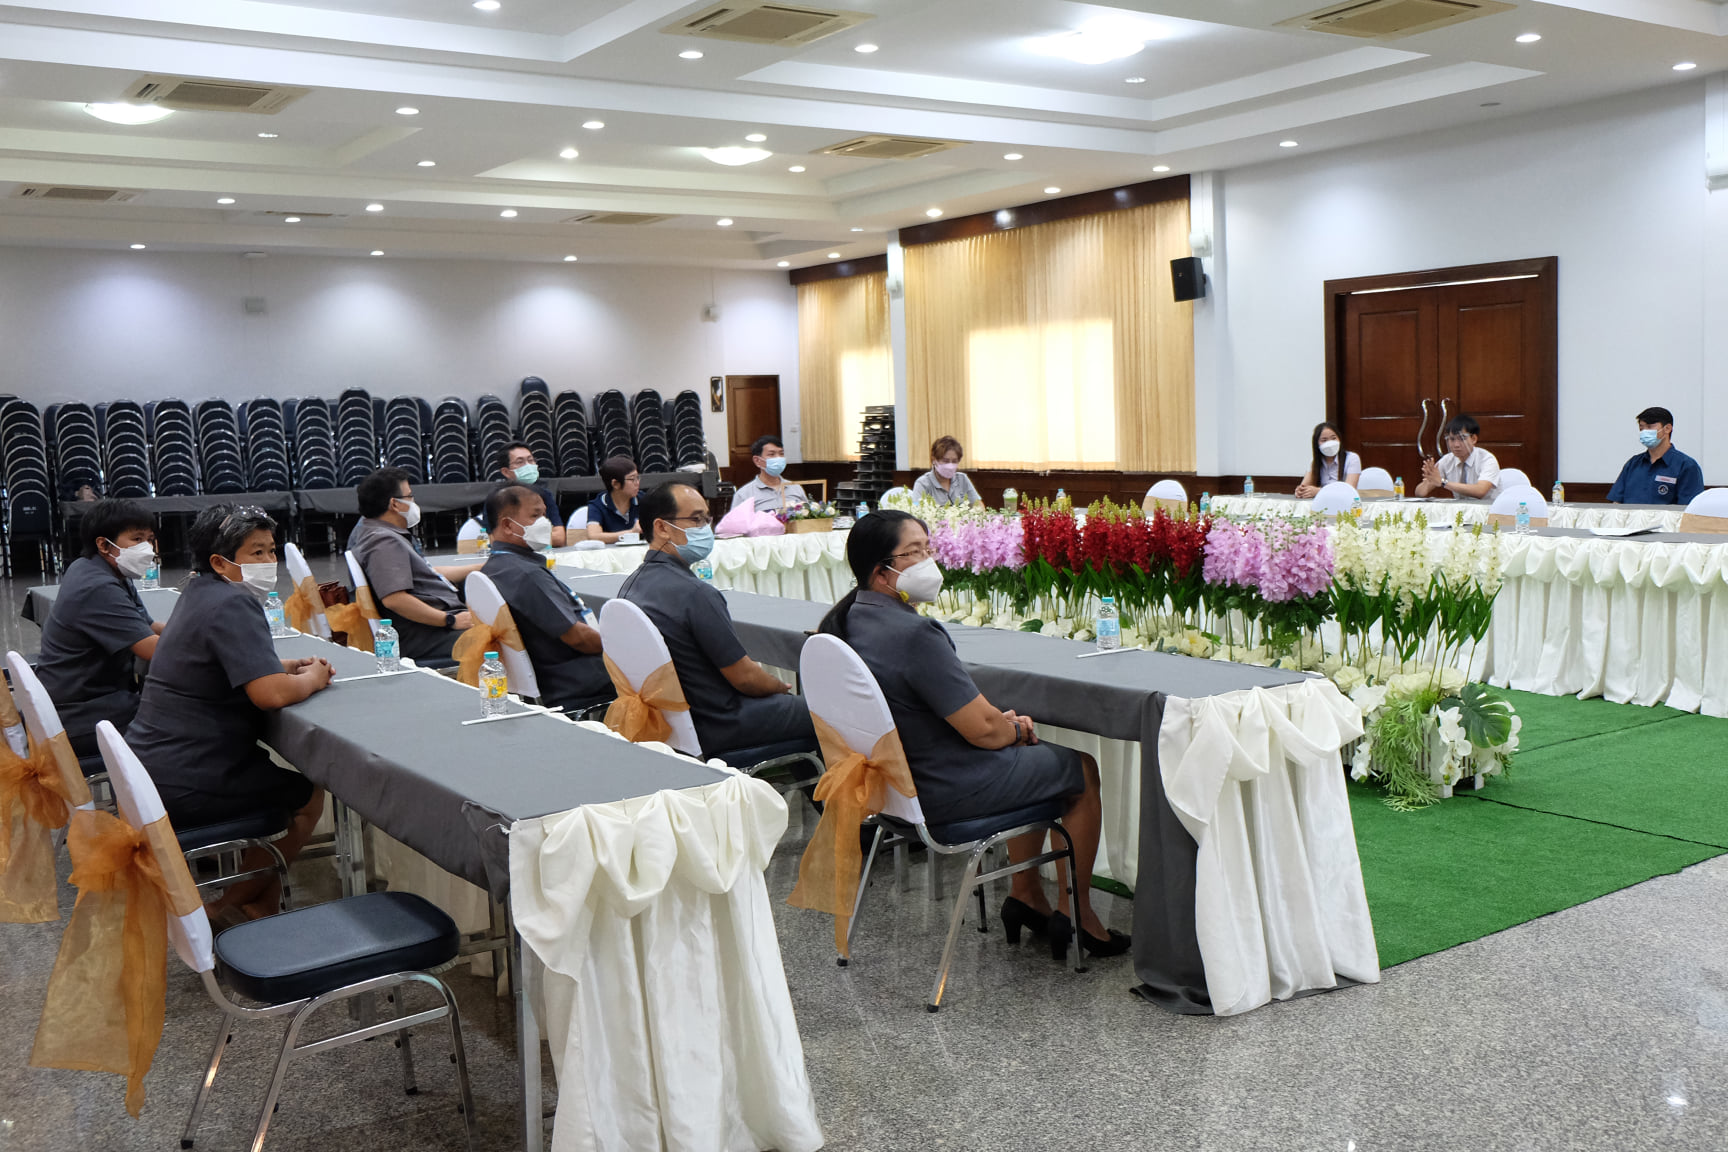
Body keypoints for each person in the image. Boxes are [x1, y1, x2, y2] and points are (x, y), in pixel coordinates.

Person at [816, 510, 1128, 959]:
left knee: (1035, 761)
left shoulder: (847, 622)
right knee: (1077, 769)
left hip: (890, 788)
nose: (929, 560)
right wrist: (1013, 729)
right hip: (943, 786)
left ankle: (1026, 896)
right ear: (881, 572)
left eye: (929, 548)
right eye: (915, 552)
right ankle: (1077, 914)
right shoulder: (914, 632)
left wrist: (998, 727)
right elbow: (983, 732)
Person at [126, 504, 333, 922]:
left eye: (271, 551)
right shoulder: (234, 603)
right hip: (192, 774)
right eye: (255, 553)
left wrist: (279, 668)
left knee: (283, 785)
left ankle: (259, 905)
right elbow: (271, 695)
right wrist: (314, 679)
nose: (268, 562)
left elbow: (227, 664)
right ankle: (229, 905)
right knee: (308, 796)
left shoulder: (198, 591)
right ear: (220, 561)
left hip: (153, 765)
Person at [621, 482, 817, 761]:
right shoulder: (695, 593)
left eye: (707, 519)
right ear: (662, 527)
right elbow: (746, 678)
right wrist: (778, 686)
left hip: (676, 720)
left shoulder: (632, 585)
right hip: (722, 721)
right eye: (696, 519)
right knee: (831, 715)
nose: (706, 528)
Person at [35, 499, 165, 758]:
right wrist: (209, 642)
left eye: (150, 539)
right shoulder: (97, 586)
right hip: (77, 714)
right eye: (137, 539)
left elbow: (148, 626)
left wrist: (195, 626)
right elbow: (152, 649)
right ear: (104, 544)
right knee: (186, 721)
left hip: (84, 699)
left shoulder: (101, 569)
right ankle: (152, 795)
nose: (147, 549)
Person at [480, 485, 613, 711]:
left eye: (544, 514)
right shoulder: (526, 575)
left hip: (551, 673)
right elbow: (579, 638)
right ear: (508, 525)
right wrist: (621, 646)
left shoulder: (496, 567)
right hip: (575, 678)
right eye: (535, 515)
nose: (546, 522)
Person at [347, 467, 480, 661]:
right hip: (426, 635)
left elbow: (427, 574)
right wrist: (450, 620)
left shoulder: (377, 533)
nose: (414, 502)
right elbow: (394, 599)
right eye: (409, 497)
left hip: (429, 628)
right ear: (395, 504)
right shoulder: (384, 542)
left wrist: (478, 568)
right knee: (505, 639)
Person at [1606, 406, 1704, 505]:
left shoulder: (1686, 466)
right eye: (1641, 428)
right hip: (1632, 520)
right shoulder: (1633, 464)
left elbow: (1689, 509)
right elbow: (1617, 502)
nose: (1644, 432)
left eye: (1649, 427)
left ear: (1667, 428)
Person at [1415, 414, 1501, 500]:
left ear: (1473, 439)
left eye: (1462, 439)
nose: (1456, 445)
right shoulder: (1447, 460)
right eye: (1452, 439)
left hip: (1489, 509)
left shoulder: (1487, 459)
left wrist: (1443, 482)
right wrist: (1429, 478)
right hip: (1461, 510)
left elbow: (1480, 491)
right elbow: (1420, 493)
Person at [497, 442, 567, 547]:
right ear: (506, 472)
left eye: (530, 460)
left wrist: (522, 539)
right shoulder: (497, 499)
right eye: (520, 462)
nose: (528, 466)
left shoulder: (545, 495)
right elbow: (496, 539)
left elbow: (560, 537)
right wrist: (540, 539)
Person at [728, 434, 808, 514]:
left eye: (781, 453)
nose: (778, 458)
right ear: (757, 460)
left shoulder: (795, 488)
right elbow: (736, 523)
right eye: (771, 454)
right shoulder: (744, 494)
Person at [911, 436, 982, 507]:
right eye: (945, 461)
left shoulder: (962, 479)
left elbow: (978, 504)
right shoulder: (923, 483)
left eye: (954, 461)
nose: (950, 466)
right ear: (934, 460)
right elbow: (917, 511)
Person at [1295, 422, 1361, 499]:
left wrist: (1319, 491)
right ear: (1317, 444)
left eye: (1333, 438)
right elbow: (1304, 486)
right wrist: (1300, 491)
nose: (1330, 443)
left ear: (1339, 439)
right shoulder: (1315, 461)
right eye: (1324, 440)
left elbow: (1349, 490)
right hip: (1321, 502)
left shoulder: (1352, 458)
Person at [584, 455, 641, 543]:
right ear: (615, 484)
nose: (637, 483)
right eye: (632, 479)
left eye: (638, 477)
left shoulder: (644, 500)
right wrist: (631, 533)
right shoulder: (597, 505)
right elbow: (593, 536)